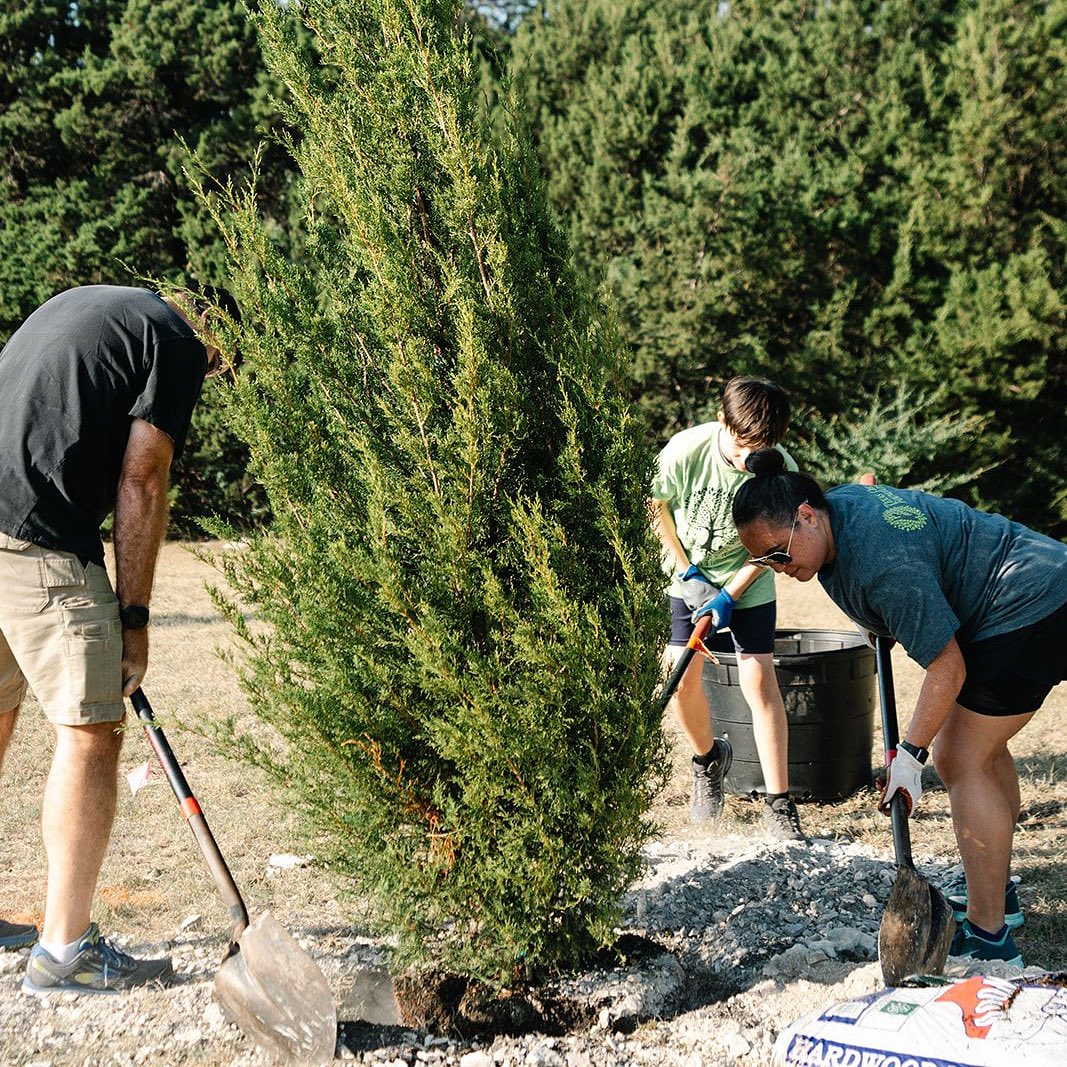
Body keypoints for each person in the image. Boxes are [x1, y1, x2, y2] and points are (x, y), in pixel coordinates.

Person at [731, 450, 1066, 964]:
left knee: (960, 758)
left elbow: (947, 667)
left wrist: (910, 755)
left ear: (805, 516)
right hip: (1036, 577)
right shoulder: (838, 509)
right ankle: (996, 896)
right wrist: (875, 621)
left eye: (778, 555)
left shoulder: (884, 566)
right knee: (981, 750)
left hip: (1026, 604)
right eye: (763, 561)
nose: (777, 568)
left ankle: (990, 937)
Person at [0, 284, 226, 992]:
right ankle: (65, 951)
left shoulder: (91, 305)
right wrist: (133, 617)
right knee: (92, 729)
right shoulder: (179, 341)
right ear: (214, 334)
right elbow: (143, 476)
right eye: (221, 366)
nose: (210, 375)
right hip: (36, 537)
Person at [651, 376, 806, 840]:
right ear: (722, 420)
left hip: (749, 579)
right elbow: (654, 507)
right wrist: (688, 574)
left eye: (759, 446)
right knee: (678, 676)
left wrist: (729, 594)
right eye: (741, 444)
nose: (746, 458)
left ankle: (779, 805)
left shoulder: (780, 470)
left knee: (759, 681)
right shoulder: (685, 450)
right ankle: (707, 762)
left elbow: (776, 546)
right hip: (687, 576)